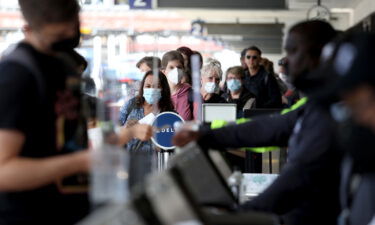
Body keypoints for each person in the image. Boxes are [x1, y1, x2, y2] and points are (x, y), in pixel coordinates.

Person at [173, 20, 339, 225]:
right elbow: (270, 127)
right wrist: (205, 134)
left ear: (322, 55)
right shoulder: (318, 104)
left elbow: (298, 177)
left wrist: (236, 214)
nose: (286, 61)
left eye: (294, 51)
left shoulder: (337, 112)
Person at [0, 0, 91, 224]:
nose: (71, 30)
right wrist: (80, 162)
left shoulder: (64, 66)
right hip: (28, 215)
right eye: (63, 24)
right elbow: (3, 170)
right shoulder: (17, 74)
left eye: (73, 18)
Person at [119, 70, 174, 152]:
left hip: (156, 162)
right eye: (148, 86)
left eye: (156, 86)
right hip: (130, 160)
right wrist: (127, 129)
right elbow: (115, 130)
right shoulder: (132, 104)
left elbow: (172, 145)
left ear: (163, 89)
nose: (151, 89)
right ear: (142, 88)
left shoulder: (169, 114)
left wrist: (161, 145)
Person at [161, 50, 193, 121]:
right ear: (163, 71)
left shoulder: (192, 95)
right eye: (171, 67)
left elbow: (199, 124)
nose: (176, 71)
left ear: (183, 69)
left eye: (179, 67)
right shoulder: (158, 94)